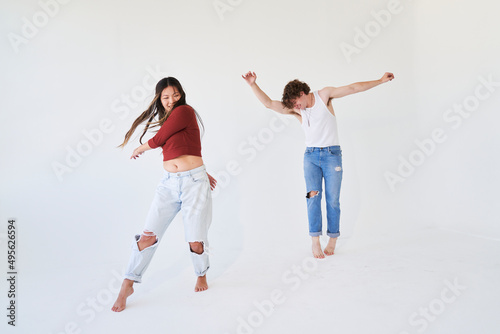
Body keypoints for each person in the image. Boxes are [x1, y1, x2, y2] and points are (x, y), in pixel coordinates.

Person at [242, 71, 394, 258]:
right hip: (311, 157)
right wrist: (253, 85)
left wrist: (380, 81)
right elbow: (269, 104)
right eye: (292, 105)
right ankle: (315, 241)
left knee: (333, 200)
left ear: (302, 93)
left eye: (296, 102)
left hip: (332, 156)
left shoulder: (324, 96)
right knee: (312, 198)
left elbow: (353, 88)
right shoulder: (297, 110)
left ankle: (332, 238)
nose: (295, 106)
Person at [111, 77, 217, 312]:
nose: (171, 101)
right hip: (169, 184)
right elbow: (186, 145)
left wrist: (139, 148)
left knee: (195, 239)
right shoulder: (168, 119)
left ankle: (201, 273)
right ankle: (127, 284)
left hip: (193, 182)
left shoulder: (185, 111)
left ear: (182, 95)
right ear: (159, 98)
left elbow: (159, 141)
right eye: (166, 97)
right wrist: (203, 170)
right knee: (147, 236)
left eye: (175, 95)